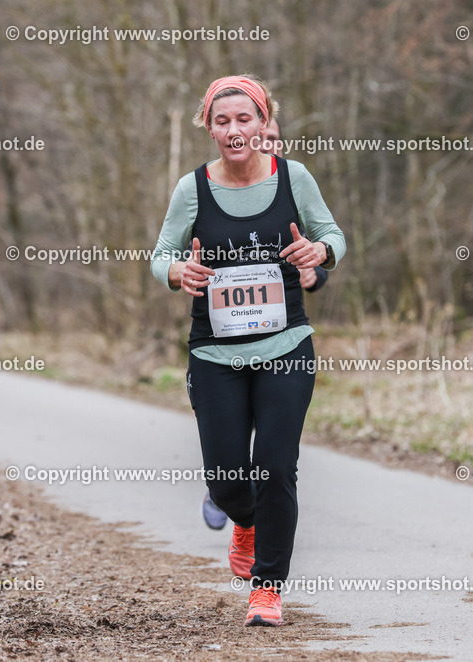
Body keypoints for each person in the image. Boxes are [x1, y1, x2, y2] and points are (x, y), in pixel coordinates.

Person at [151, 74, 345, 626]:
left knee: (277, 467)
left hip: (286, 346)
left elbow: (334, 235)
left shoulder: (295, 177)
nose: (235, 130)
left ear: (264, 124)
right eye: (222, 121)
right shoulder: (192, 188)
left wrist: (320, 251)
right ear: (208, 128)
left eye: (245, 119)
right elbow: (161, 252)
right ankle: (245, 520)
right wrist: (175, 270)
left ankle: (267, 588)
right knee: (228, 480)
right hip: (215, 355)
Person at [200, 117, 330, 530]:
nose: (263, 143)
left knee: (273, 449)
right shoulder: (211, 188)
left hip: (282, 340)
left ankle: (259, 513)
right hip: (226, 343)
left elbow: (321, 243)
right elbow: (191, 249)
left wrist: (314, 266)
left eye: (271, 138)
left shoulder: (293, 182)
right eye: (262, 137)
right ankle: (235, 496)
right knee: (232, 444)